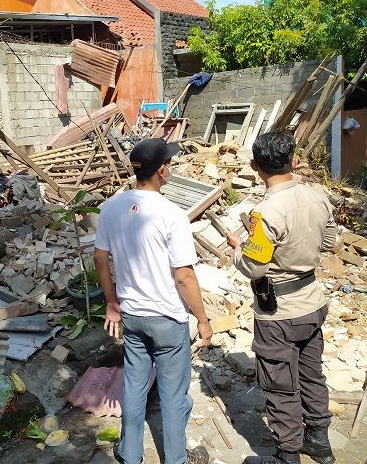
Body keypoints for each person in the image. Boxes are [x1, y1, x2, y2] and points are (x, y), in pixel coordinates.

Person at [94, 137, 213, 464]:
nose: (170, 168)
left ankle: (129, 454)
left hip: (132, 315)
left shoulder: (112, 207)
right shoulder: (172, 214)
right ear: (162, 170)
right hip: (167, 320)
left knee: (134, 385)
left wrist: (111, 301)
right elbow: (184, 276)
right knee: (174, 395)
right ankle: (176, 459)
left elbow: (100, 257)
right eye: (169, 164)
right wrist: (202, 319)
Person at [224, 130, 337, 464]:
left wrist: (237, 248)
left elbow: (254, 268)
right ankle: (319, 441)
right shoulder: (317, 195)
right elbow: (328, 243)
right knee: (311, 374)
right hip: (312, 303)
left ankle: (288, 454)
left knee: (280, 385)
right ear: (295, 161)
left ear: (254, 165)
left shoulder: (267, 211)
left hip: (278, 313)